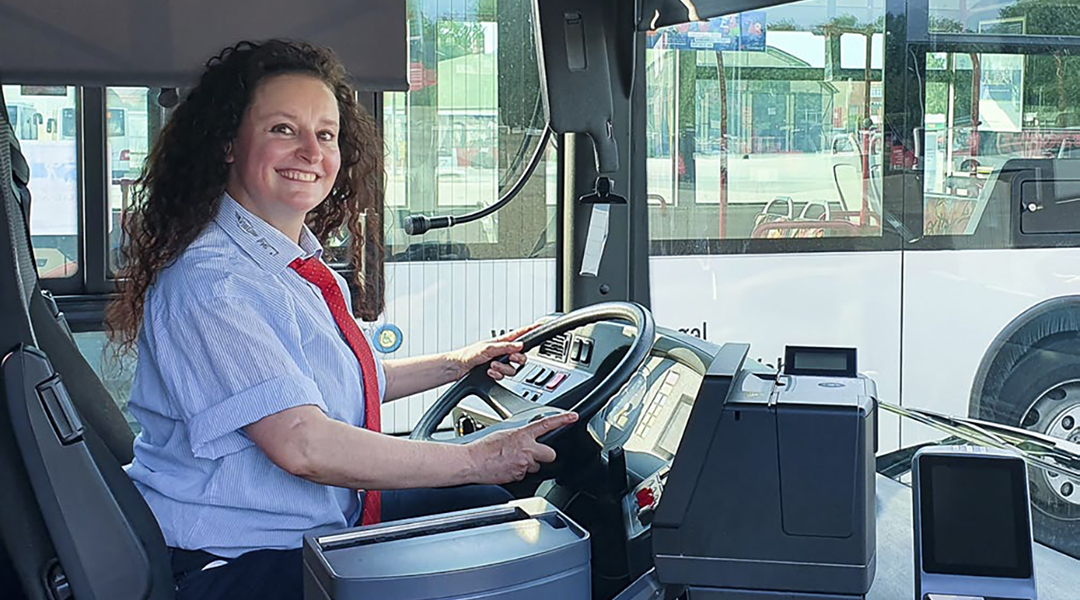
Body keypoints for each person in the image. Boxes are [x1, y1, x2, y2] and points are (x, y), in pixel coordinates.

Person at [105, 39, 577, 600]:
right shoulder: (219, 281)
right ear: (228, 143)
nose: (311, 151)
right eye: (283, 129)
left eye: (325, 134)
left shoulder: (280, 259)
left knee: (494, 513)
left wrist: (458, 363)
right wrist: (477, 457)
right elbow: (303, 444)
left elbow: (349, 381)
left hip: (303, 526)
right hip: (233, 560)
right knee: (518, 551)